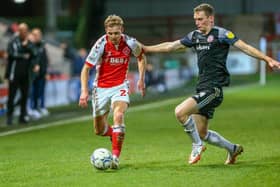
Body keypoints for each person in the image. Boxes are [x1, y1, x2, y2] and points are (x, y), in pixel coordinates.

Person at [143, 3, 280, 165]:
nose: (197, 22)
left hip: (214, 89)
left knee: (180, 112)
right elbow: (171, 46)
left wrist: (268, 59)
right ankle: (233, 149)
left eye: (200, 19)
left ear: (210, 18)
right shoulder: (194, 36)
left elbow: (246, 48)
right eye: (195, 19)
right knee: (201, 132)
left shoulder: (222, 34)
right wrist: (146, 48)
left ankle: (197, 146)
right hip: (202, 87)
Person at [79, 15, 146, 169]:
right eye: (110, 33)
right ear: (106, 31)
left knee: (118, 115)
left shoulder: (130, 42)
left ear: (121, 30)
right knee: (99, 130)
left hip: (120, 86)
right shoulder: (100, 44)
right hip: (101, 88)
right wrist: (84, 91)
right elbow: (86, 68)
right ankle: (115, 134)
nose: (113, 37)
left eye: (116, 33)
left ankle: (115, 157)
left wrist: (141, 79)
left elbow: (141, 57)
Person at [5, 23, 38, 125]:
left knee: (25, 95)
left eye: (25, 31)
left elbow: (34, 53)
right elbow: (11, 54)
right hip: (14, 73)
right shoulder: (13, 41)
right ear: (19, 31)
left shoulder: (29, 43)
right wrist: (24, 55)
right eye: (22, 31)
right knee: (12, 95)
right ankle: (9, 116)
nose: (24, 33)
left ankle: (22, 116)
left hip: (26, 73)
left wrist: (27, 46)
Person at [30, 28, 49, 117]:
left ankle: (41, 106)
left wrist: (46, 72)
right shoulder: (30, 46)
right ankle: (32, 108)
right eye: (36, 35)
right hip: (32, 74)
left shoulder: (42, 46)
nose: (38, 36)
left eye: (39, 34)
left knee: (41, 91)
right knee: (33, 92)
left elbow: (45, 60)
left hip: (42, 73)